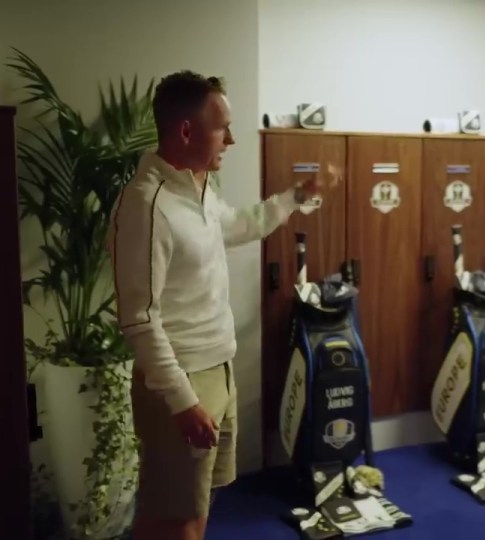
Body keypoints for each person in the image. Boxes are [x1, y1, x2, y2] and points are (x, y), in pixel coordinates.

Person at [108, 70, 337, 540]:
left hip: (218, 366)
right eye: (222, 128)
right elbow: (139, 318)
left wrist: (294, 198)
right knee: (176, 518)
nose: (231, 139)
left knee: (193, 505)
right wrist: (183, 401)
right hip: (182, 380)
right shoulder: (147, 206)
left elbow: (237, 225)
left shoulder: (198, 187)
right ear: (186, 131)